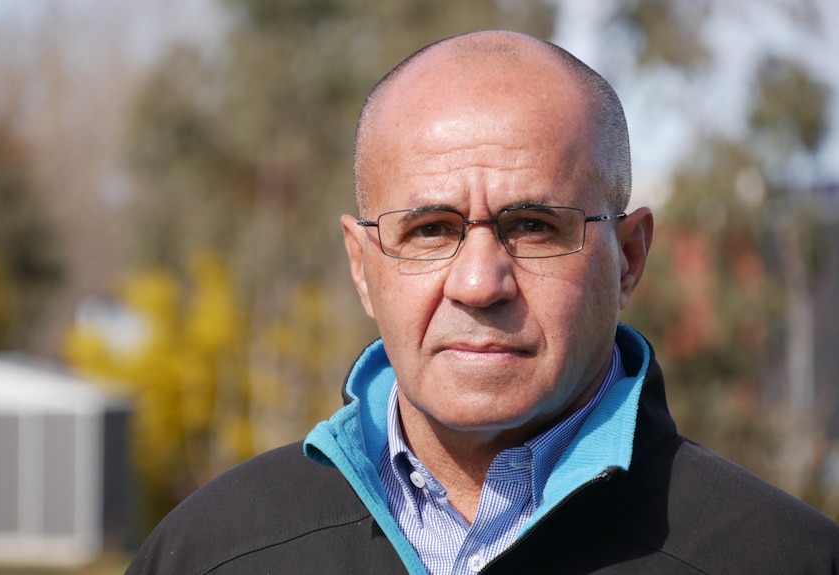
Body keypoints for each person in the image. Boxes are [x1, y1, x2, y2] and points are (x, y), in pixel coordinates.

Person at [126, 30, 839, 574]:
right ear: (363, 265)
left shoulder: (780, 558)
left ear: (629, 257)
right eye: (430, 230)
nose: (478, 282)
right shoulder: (211, 554)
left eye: (533, 226)